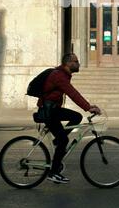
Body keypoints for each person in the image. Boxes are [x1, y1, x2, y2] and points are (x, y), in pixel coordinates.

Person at [37, 53, 101, 184]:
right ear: (68, 63)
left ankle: (57, 142)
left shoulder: (63, 74)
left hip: (53, 109)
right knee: (63, 140)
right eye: (76, 61)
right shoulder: (59, 76)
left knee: (76, 117)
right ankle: (53, 173)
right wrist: (88, 107)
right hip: (49, 112)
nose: (78, 64)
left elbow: (71, 93)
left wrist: (88, 106)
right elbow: (73, 93)